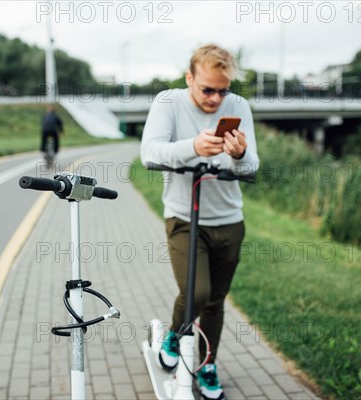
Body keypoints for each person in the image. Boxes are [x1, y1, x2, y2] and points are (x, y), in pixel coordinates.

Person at [140, 44, 260, 400]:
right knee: (197, 291)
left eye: (222, 90)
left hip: (229, 219)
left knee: (216, 300)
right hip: (183, 217)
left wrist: (238, 154)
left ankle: (207, 364)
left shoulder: (239, 106)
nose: (215, 98)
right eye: (207, 89)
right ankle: (175, 335)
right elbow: (150, 153)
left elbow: (251, 166)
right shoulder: (168, 102)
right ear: (189, 78)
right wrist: (193, 146)